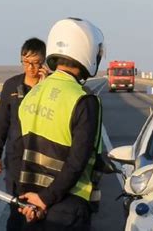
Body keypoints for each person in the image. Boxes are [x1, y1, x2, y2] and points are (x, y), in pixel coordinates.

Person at [17, 17, 105, 230]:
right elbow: (78, 161)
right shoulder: (84, 100)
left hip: (30, 204)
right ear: (87, 51)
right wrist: (47, 198)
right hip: (67, 205)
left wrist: (36, 200)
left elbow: (22, 150)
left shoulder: (32, 93)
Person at [0, 37, 47, 231]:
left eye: (35, 62)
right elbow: (2, 122)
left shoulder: (50, 88)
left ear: (44, 62)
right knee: (16, 209)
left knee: (38, 211)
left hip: (43, 160)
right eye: (26, 62)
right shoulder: (11, 86)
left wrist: (45, 86)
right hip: (16, 158)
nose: (30, 67)